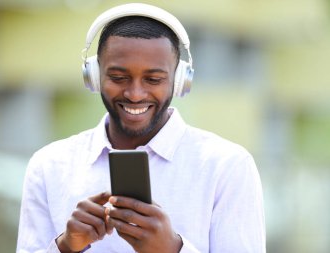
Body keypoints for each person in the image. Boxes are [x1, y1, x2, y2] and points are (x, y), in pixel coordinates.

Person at [16, 3, 265, 253]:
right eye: (118, 77)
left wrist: (172, 249)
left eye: (153, 79)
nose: (135, 94)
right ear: (93, 75)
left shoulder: (227, 167)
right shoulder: (49, 165)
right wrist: (65, 247)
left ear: (179, 81)